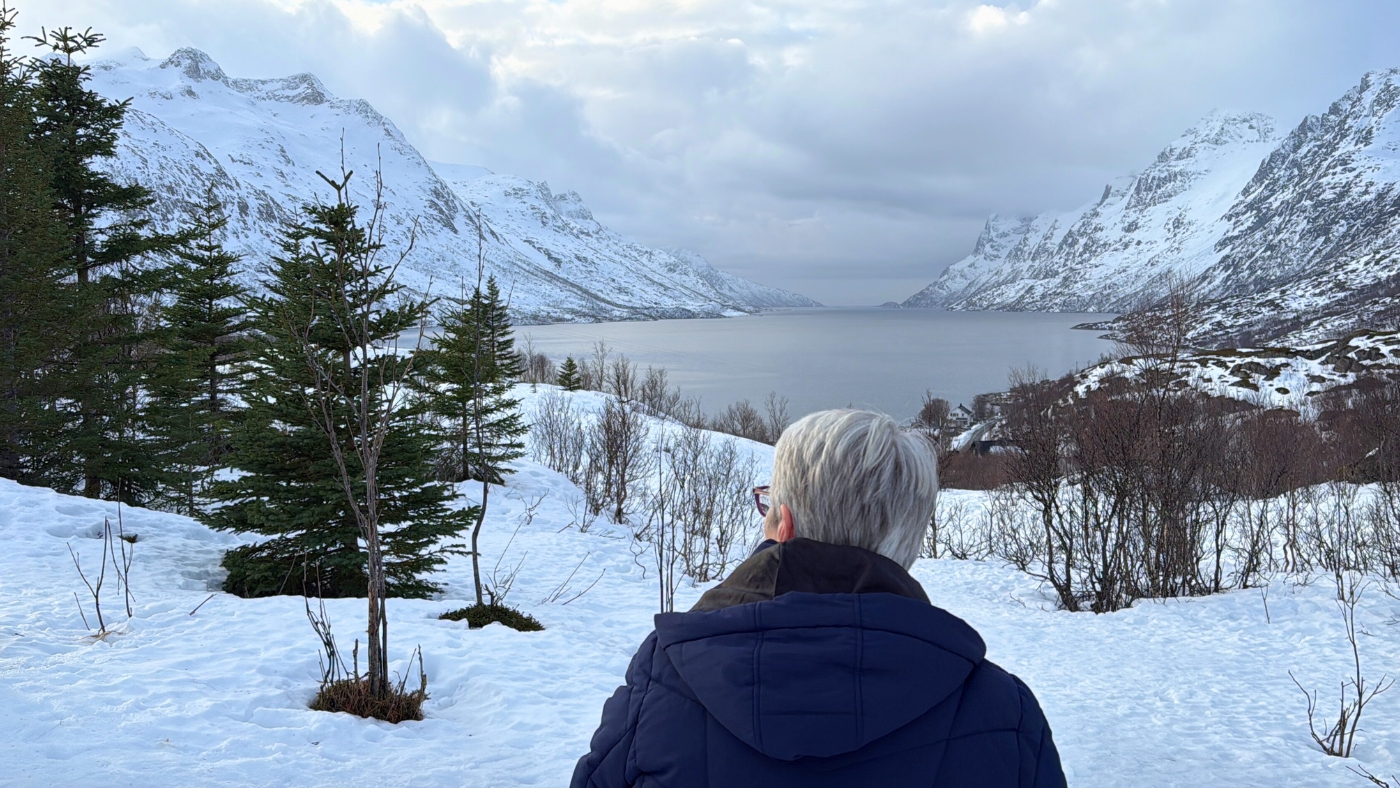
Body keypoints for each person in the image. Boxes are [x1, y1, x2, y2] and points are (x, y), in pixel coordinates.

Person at [571, 409, 1066, 788]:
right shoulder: (1004, 712)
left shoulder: (662, 683)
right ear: (908, 540)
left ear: (782, 524)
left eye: (767, 504)